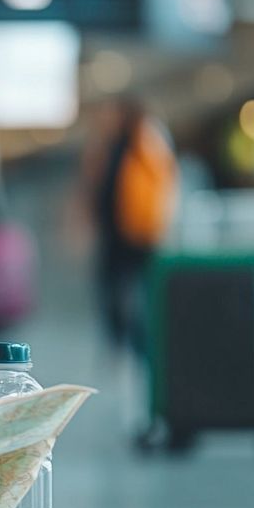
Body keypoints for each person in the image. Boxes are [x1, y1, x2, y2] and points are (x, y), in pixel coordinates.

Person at [74, 96, 177, 360]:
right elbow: (94, 186)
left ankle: (141, 345)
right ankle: (122, 343)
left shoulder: (145, 138)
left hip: (140, 234)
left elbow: (164, 184)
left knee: (138, 294)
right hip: (114, 234)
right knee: (111, 291)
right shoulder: (107, 146)